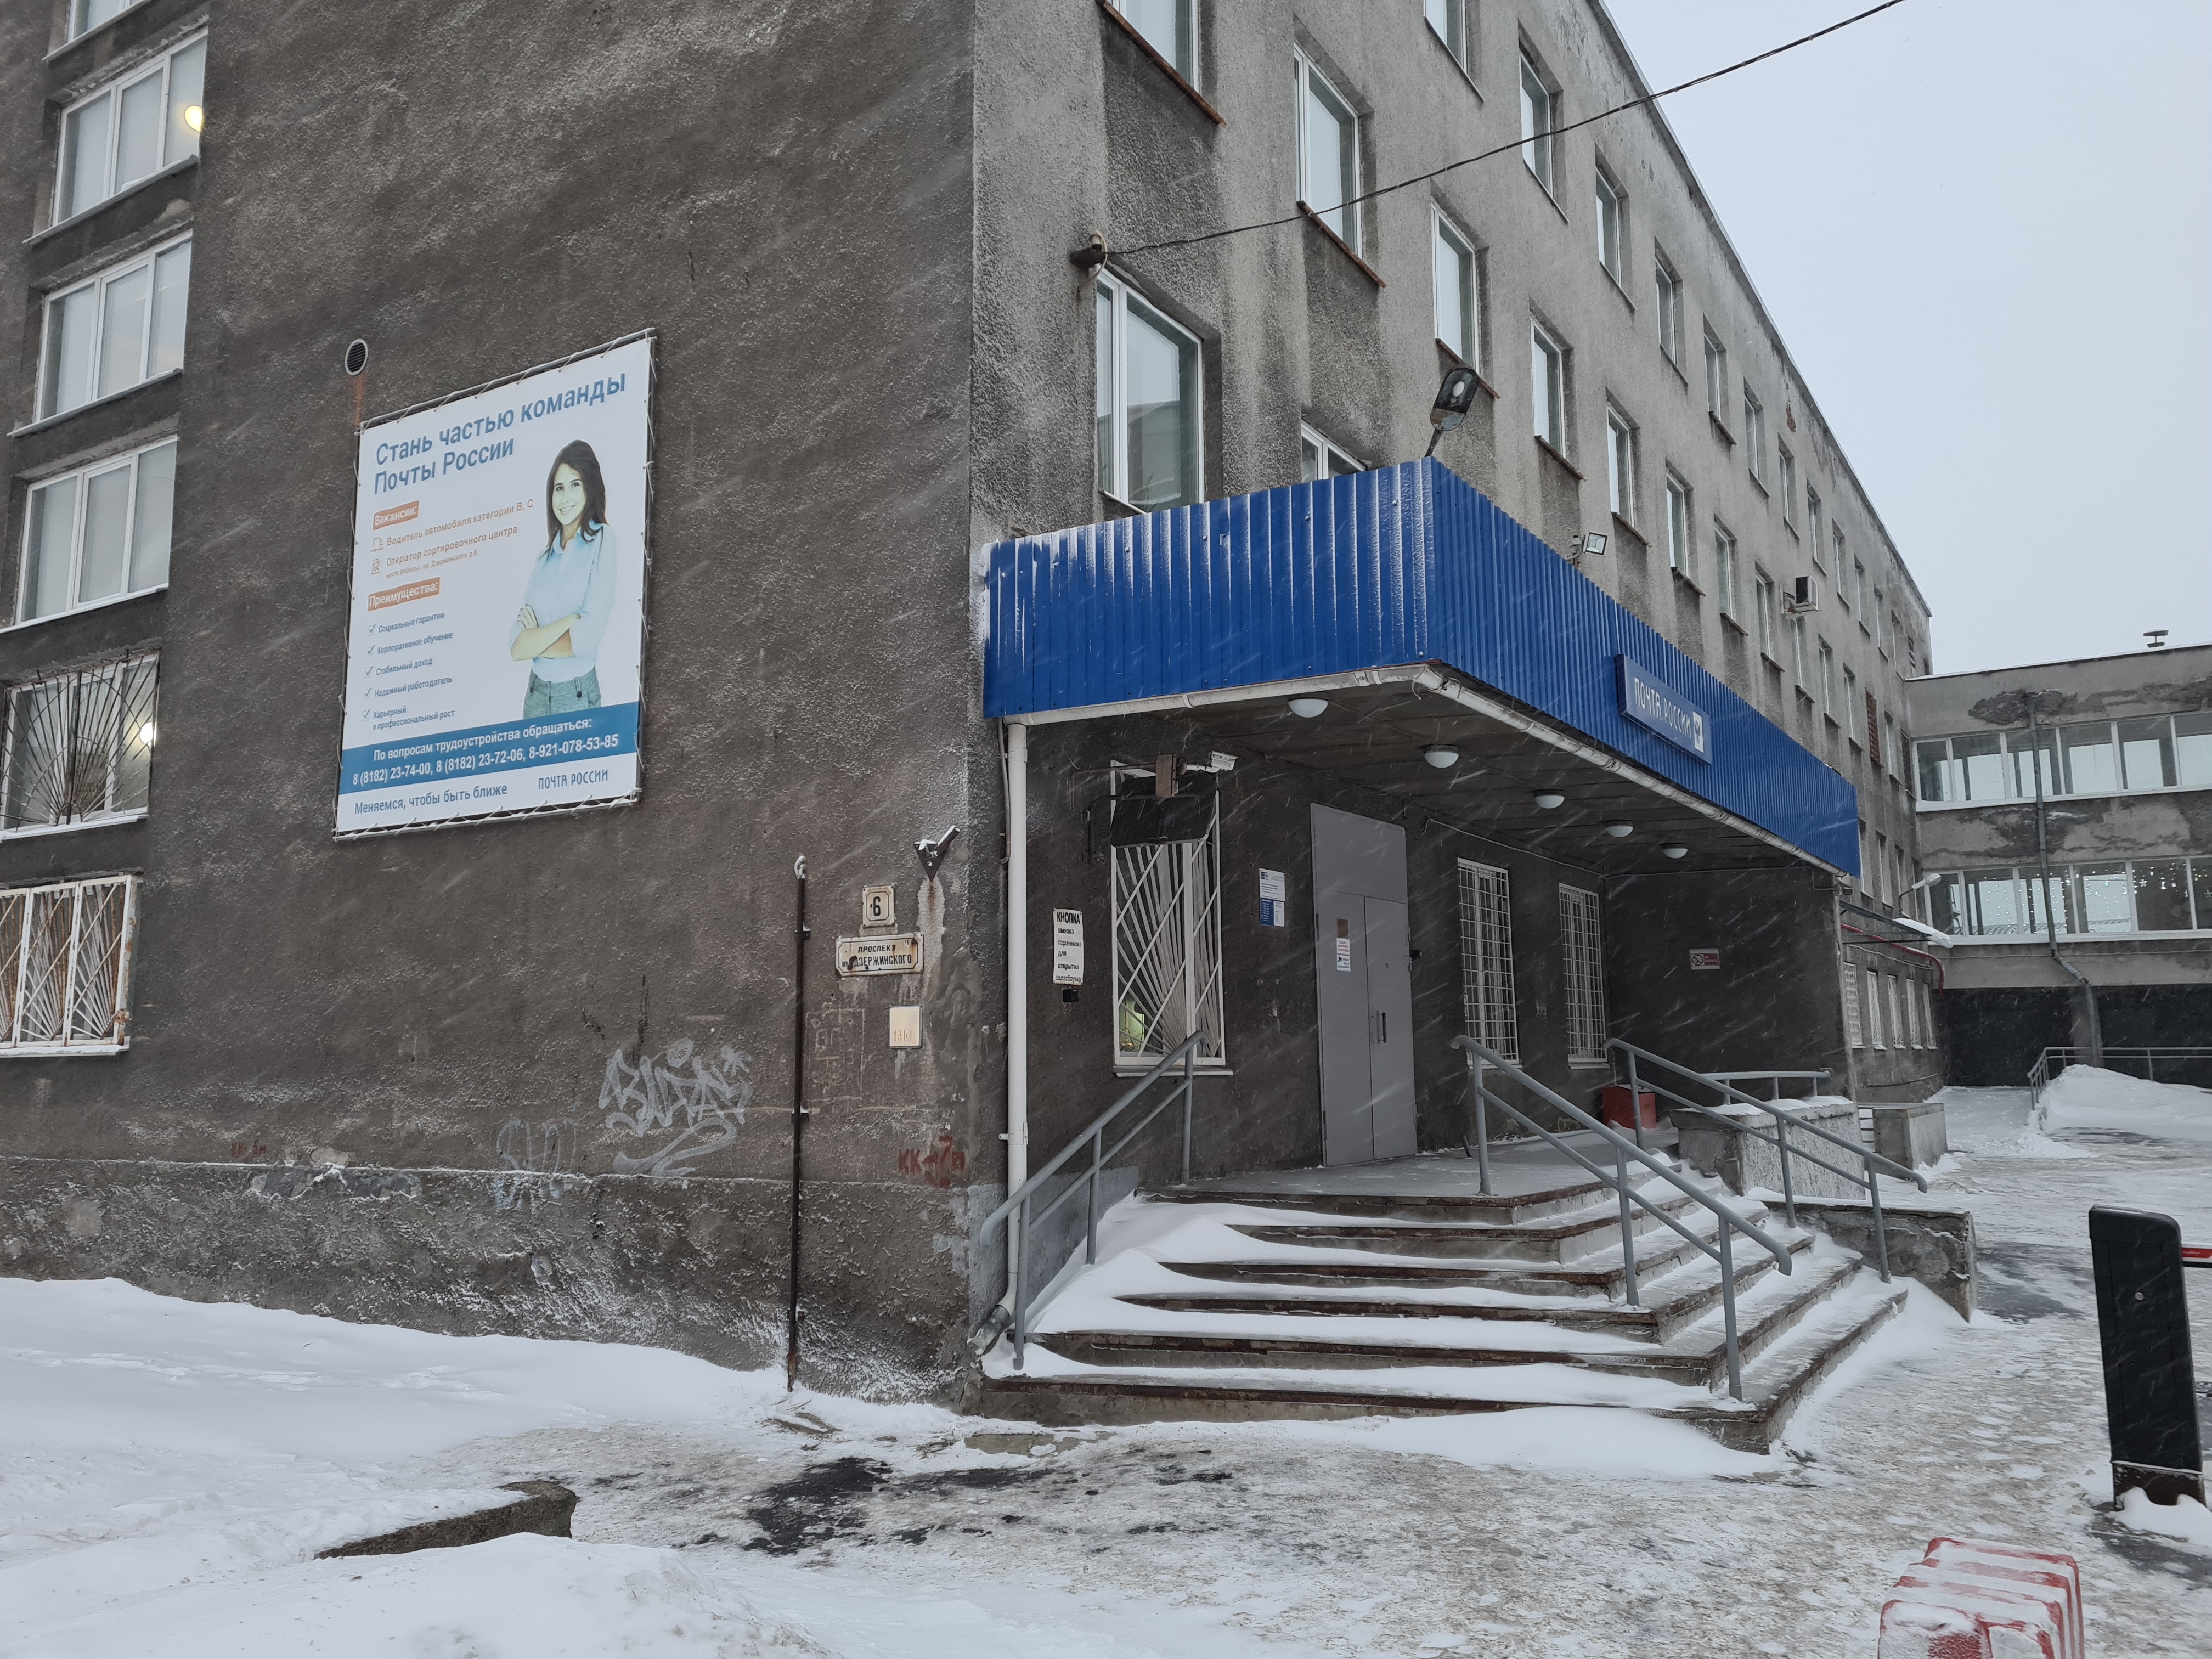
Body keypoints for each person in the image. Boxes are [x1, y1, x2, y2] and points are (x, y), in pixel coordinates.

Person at [510, 439, 617, 715]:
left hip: (576, 694)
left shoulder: (602, 540)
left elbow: (588, 639)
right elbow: (516, 647)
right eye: (559, 488)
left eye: (575, 485)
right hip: (535, 694)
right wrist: (569, 622)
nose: (565, 497)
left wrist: (536, 643)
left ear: (589, 489)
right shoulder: (544, 559)